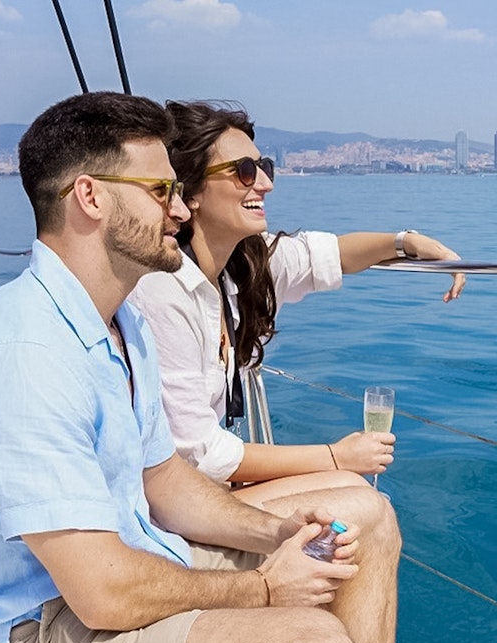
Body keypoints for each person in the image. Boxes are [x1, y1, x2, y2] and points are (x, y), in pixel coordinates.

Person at [0, 91, 412, 643]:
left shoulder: (120, 325)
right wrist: (263, 588)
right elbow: (101, 593)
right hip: (43, 637)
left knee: (361, 517)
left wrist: (281, 532)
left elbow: (166, 482)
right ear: (90, 198)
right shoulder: (22, 357)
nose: (179, 210)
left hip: (136, 558)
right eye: (158, 190)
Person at [127, 100, 465, 500]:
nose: (266, 184)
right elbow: (199, 453)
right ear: (191, 192)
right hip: (167, 509)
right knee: (358, 499)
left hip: (205, 491)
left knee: (358, 498)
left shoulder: (241, 265)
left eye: (264, 167)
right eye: (245, 172)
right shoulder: (162, 290)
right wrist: (336, 456)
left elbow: (332, 254)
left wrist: (406, 241)